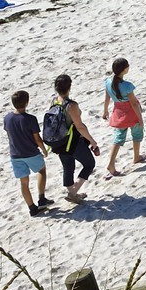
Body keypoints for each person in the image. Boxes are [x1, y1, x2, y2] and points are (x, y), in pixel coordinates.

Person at [49, 74, 101, 202]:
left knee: (68, 167)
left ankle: (72, 192)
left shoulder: (54, 101)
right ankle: (73, 192)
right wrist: (92, 141)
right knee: (89, 164)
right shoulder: (71, 105)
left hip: (59, 142)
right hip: (73, 142)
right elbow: (80, 127)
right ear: (69, 87)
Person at [4, 90, 52, 217]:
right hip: (30, 152)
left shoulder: (7, 118)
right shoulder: (30, 119)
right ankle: (41, 199)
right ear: (26, 103)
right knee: (42, 170)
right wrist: (44, 149)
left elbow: (9, 134)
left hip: (15, 155)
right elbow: (37, 138)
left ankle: (32, 208)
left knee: (23, 182)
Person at [102, 57, 146, 178]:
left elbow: (107, 97)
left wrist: (105, 110)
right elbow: (133, 103)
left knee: (118, 137)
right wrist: (140, 118)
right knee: (137, 133)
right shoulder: (127, 86)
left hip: (118, 111)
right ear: (124, 70)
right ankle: (136, 156)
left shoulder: (108, 82)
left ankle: (111, 164)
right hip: (131, 113)